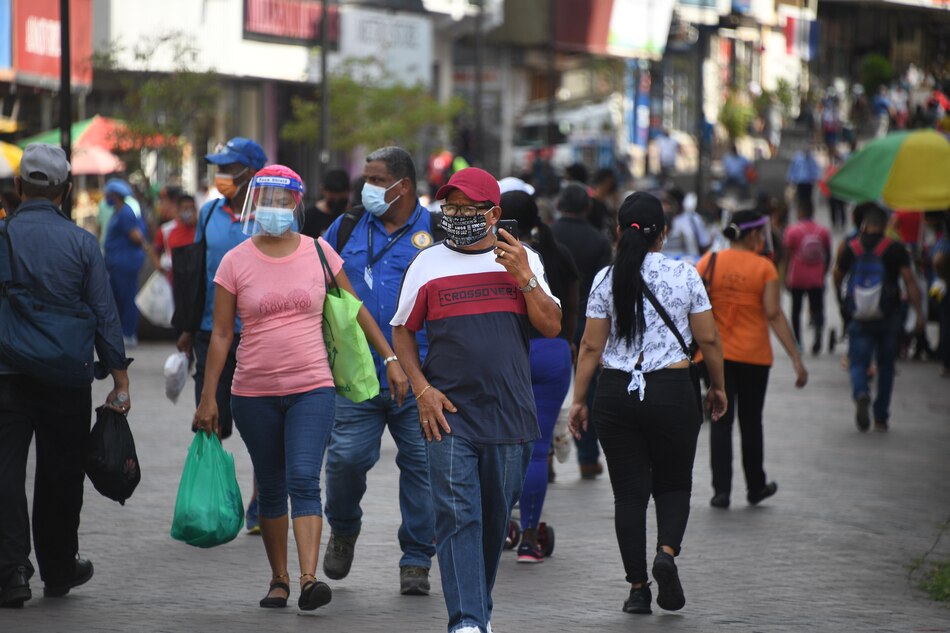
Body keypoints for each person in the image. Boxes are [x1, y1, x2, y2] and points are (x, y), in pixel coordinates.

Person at [192, 165, 403, 611]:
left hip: (313, 387)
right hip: (252, 393)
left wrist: (390, 359)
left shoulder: (320, 252)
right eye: (265, 199)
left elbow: (356, 309)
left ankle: (309, 580)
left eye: (281, 199)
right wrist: (209, 396)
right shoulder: (236, 261)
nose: (273, 208)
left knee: (304, 479)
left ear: (296, 203)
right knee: (270, 486)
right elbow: (222, 334)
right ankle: (279, 579)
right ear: (255, 204)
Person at [391, 167, 562, 633]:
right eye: (451, 209)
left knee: (488, 524)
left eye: (468, 209)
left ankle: (476, 612)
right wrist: (422, 390)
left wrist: (524, 275)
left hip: (510, 415)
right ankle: (466, 622)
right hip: (448, 416)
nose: (458, 216)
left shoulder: (523, 259)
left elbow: (551, 325)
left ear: (494, 214)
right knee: (456, 516)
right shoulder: (427, 264)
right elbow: (402, 331)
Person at [568, 191, 727, 615]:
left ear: (618, 231)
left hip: (617, 394)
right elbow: (709, 338)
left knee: (629, 495)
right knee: (674, 483)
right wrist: (717, 387)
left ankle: (638, 589)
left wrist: (578, 399)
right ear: (665, 233)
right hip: (673, 391)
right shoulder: (685, 275)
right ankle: (667, 554)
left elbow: (589, 347)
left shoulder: (604, 279)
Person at [0, 144, 131, 607]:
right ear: (66, 191)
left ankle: (12, 570)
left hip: (6, 374)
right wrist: (119, 377)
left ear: (18, 188)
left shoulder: (2, 236)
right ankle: (58, 567)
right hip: (66, 376)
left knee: (5, 473)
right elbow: (103, 313)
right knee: (60, 474)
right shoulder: (81, 244)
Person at [320, 147, 436, 595]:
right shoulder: (346, 227)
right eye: (365, 178)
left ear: (402, 185)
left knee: (423, 468)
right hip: (356, 376)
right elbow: (322, 284)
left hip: (422, 378)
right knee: (346, 460)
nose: (365, 187)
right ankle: (344, 528)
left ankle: (415, 560)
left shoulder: (437, 232)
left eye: (375, 178)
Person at [176, 137, 267, 530]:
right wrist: (186, 328)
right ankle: (211, 499)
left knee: (264, 426)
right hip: (212, 332)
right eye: (220, 169)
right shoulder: (210, 212)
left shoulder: (269, 216)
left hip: (260, 335)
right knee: (210, 417)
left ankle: (262, 503)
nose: (222, 177)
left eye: (230, 170)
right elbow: (197, 274)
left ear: (251, 173)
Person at [696, 210, 808, 509]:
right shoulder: (765, 268)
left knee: (720, 420)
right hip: (754, 356)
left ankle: (721, 491)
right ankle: (755, 486)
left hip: (715, 355)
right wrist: (796, 358)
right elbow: (773, 313)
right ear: (753, 235)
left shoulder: (710, 261)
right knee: (750, 422)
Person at [500, 190, 578, 562]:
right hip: (553, 352)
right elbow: (572, 307)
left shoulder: (495, 256)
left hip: (510, 353)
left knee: (499, 445)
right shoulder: (558, 254)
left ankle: (500, 528)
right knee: (538, 449)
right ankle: (529, 538)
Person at [833, 204, 924, 431]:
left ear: (864, 225)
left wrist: (843, 301)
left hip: (859, 315)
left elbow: (837, 274)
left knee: (858, 361)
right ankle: (881, 416)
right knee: (885, 365)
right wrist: (919, 313)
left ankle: (861, 392)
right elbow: (909, 280)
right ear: (885, 225)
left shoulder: (851, 247)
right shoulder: (895, 249)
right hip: (888, 315)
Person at [551, 183, 612, 479]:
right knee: (589, 390)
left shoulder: (547, 236)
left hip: (552, 322)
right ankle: (588, 457)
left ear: (559, 205)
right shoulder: (598, 240)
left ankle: (545, 458)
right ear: (587, 208)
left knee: (548, 391)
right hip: (589, 323)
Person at [103, 178, 152, 348]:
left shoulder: (125, 213)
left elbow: (136, 236)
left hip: (126, 263)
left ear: (115, 195)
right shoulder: (120, 212)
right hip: (118, 263)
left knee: (127, 298)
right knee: (120, 298)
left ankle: (129, 333)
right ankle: (124, 332)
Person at [783, 197, 832, 355]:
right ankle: (818, 337)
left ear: (800, 212)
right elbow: (828, 254)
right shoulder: (823, 231)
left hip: (797, 276)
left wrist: (785, 276)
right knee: (818, 308)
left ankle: (798, 342)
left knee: (796, 310)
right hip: (816, 276)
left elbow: (787, 255)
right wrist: (823, 272)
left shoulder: (792, 230)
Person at [152, 193, 199, 283]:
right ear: (178, 210)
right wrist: (160, 267)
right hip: (173, 281)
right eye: (185, 208)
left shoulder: (201, 229)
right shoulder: (166, 230)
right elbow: (154, 251)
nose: (189, 212)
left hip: (196, 280)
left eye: (191, 208)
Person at [300, 168, 351, 239]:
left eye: (340, 193)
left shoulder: (356, 214)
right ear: (323, 190)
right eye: (333, 194)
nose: (337, 198)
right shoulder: (309, 216)